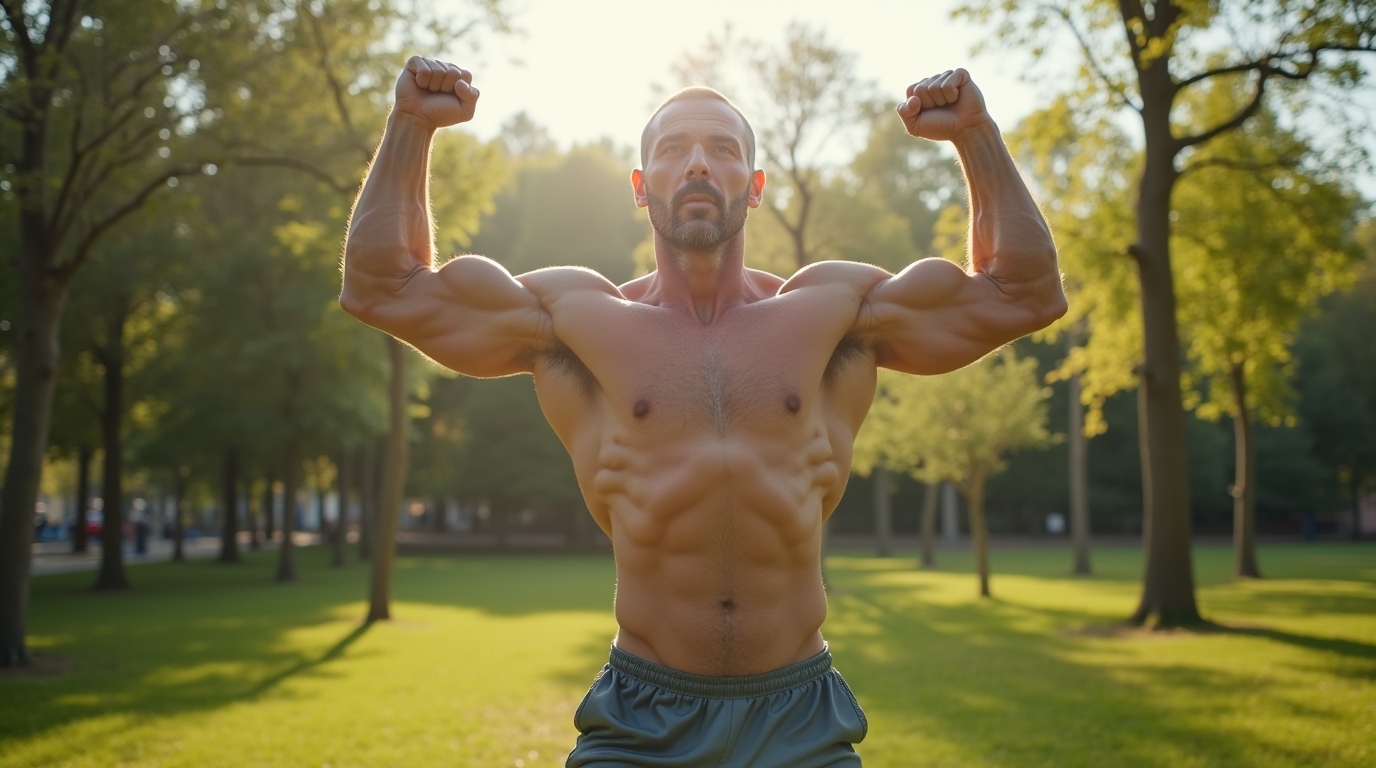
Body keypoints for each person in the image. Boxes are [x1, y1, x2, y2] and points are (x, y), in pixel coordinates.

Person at [341, 55, 1065, 767]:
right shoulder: (575, 322)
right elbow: (382, 288)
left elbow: (1023, 294)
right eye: (671, 150)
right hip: (640, 720)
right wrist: (410, 123)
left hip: (798, 720)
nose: (696, 165)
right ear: (640, 186)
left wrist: (975, 133)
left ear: (754, 186)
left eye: (722, 150)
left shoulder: (835, 313)